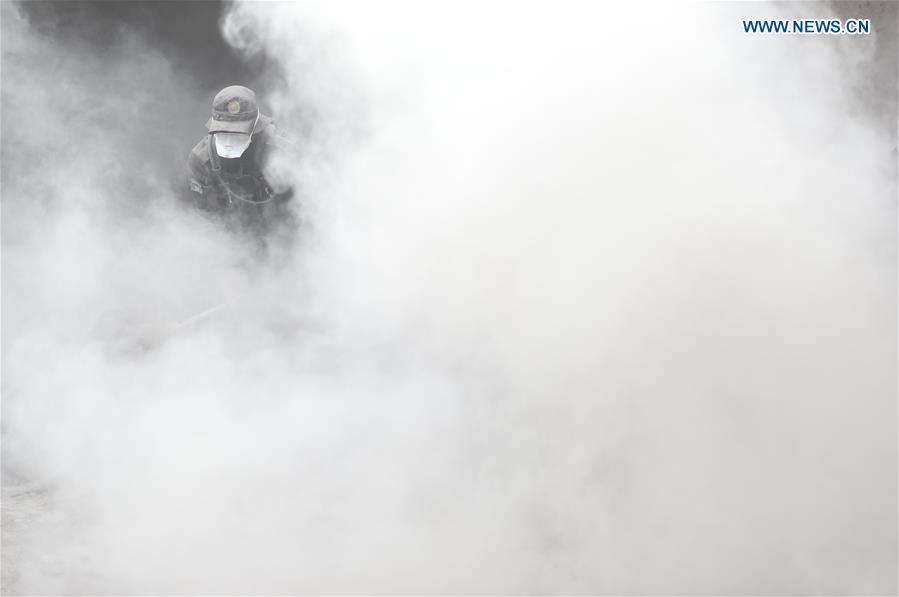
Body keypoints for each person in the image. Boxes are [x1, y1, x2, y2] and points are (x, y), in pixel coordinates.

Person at [186, 85, 294, 231]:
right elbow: (206, 219)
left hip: (283, 232)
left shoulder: (283, 154)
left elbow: (305, 210)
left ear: (255, 128)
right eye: (223, 133)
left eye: (237, 134)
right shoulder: (201, 160)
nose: (229, 142)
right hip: (231, 236)